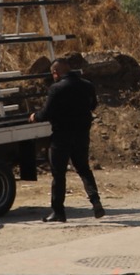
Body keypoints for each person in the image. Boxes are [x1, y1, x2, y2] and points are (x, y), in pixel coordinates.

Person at [30, 56, 103, 222]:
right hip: (82, 134)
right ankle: (95, 200)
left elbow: (46, 112)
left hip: (61, 136)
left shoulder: (56, 89)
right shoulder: (87, 85)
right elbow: (93, 106)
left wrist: (35, 116)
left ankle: (58, 212)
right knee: (83, 169)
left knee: (58, 174)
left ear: (55, 73)